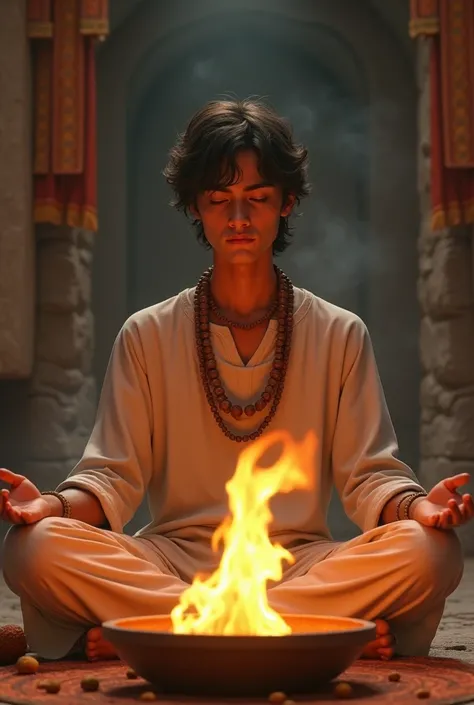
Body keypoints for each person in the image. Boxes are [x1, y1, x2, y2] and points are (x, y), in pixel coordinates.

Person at [1, 99, 473, 663]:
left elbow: (370, 476)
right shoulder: (146, 333)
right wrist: (51, 508)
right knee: (32, 548)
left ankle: (171, 630)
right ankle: (300, 630)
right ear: (196, 208)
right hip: (172, 563)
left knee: (432, 552)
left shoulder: (340, 332)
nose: (239, 218)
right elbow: (112, 477)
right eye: (220, 200)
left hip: (298, 565)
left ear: (286, 203)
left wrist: (421, 511)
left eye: (257, 198)